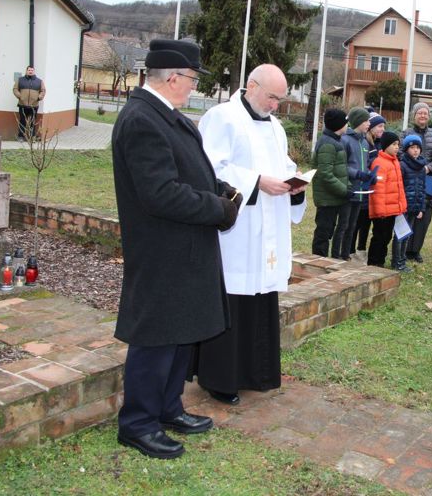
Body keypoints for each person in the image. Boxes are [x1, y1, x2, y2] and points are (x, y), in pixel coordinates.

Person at [111, 39, 239, 459]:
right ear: (172, 78)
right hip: (162, 249)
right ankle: (138, 423)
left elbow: (188, 172)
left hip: (184, 246)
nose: (194, 86)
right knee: (156, 339)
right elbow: (160, 193)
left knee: (180, 332)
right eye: (192, 79)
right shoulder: (141, 120)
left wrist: (220, 189)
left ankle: (168, 407)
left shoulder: (167, 116)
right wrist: (217, 208)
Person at [194, 64, 307, 406]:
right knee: (233, 299)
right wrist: (257, 182)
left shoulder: (275, 126)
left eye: (280, 100)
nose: (275, 105)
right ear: (251, 86)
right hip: (238, 230)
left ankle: (257, 373)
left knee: (261, 299)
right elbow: (209, 169)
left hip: (268, 227)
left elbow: (284, 166)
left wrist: (295, 185)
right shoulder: (222, 118)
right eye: (272, 97)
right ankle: (220, 379)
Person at [401, 102, 432, 263]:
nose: (422, 115)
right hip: (410, 178)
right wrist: (413, 167)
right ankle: (404, 249)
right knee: (409, 211)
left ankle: (416, 250)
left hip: (430, 178)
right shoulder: (406, 133)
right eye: (419, 113)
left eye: (425, 113)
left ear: (428, 116)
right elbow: (400, 153)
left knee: (425, 214)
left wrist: (429, 167)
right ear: (414, 115)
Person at [311, 108, 351, 258]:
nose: (348, 125)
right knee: (323, 232)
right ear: (339, 125)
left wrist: (347, 186)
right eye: (346, 123)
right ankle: (318, 262)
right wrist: (344, 190)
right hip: (327, 199)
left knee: (328, 231)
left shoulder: (335, 141)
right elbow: (325, 174)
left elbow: (339, 170)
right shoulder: (328, 144)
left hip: (334, 197)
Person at [339, 107, 374, 260]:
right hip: (349, 190)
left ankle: (347, 255)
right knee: (344, 225)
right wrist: (357, 174)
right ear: (358, 121)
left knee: (353, 226)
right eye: (366, 121)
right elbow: (342, 165)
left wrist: (369, 175)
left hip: (361, 192)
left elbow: (364, 165)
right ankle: (338, 255)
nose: (369, 124)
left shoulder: (365, 142)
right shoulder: (345, 140)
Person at [368, 132, 407, 267]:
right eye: (394, 144)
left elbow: (399, 187)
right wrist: (380, 211)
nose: (397, 147)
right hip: (382, 211)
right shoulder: (379, 163)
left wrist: (401, 205)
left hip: (392, 209)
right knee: (379, 237)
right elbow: (378, 190)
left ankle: (381, 262)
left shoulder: (395, 162)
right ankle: (374, 263)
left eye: (398, 145)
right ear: (385, 146)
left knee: (386, 237)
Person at [351, 114, 386, 256]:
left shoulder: (379, 143)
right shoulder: (365, 143)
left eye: (384, 126)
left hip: (373, 189)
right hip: (362, 188)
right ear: (371, 127)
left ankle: (361, 249)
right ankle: (350, 251)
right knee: (357, 222)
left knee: (366, 221)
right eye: (380, 126)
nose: (383, 129)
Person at [394, 134, 427, 272]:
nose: (415, 150)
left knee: (407, 235)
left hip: (415, 206)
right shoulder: (402, 165)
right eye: (412, 147)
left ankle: (402, 259)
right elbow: (398, 187)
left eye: (418, 147)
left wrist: (421, 208)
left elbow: (423, 188)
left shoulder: (422, 167)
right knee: (400, 235)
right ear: (407, 149)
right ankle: (397, 262)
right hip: (403, 207)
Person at [12, 66, 46, 141]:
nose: (30, 71)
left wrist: (39, 97)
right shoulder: (20, 80)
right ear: (26, 71)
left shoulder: (39, 81)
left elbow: (43, 90)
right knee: (22, 121)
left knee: (32, 122)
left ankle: (32, 137)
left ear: (34, 71)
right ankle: (21, 137)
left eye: (32, 70)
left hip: (34, 105)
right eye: (29, 70)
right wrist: (20, 96)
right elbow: (15, 89)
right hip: (22, 104)